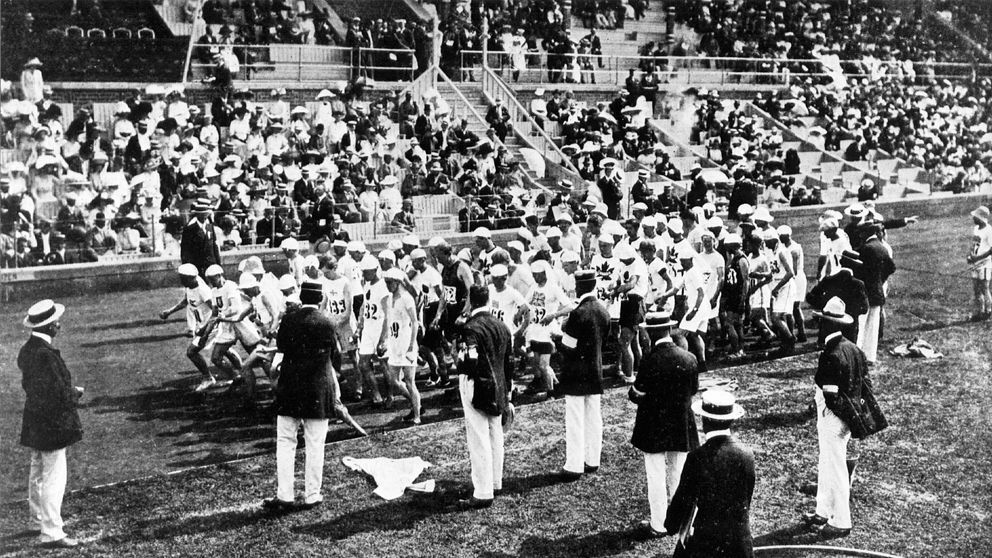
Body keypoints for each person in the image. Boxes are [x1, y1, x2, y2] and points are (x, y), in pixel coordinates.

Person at [263, 281, 360, 512]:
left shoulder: (289, 319)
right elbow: (334, 354)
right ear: (320, 299)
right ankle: (312, 495)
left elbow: (282, 347)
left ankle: (284, 495)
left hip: (291, 389)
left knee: (286, 442)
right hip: (318, 389)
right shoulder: (327, 321)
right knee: (316, 444)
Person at [19, 299, 83, 548]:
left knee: (37, 472)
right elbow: (56, 393)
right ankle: (52, 531)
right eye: (55, 321)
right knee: (53, 477)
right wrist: (74, 392)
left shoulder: (28, 350)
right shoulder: (45, 355)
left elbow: (31, 387)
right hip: (52, 422)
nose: (58, 324)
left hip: (35, 419)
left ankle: (38, 520)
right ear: (48, 326)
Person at [629, 313, 699, 538]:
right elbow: (694, 389)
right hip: (681, 423)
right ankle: (681, 521)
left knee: (656, 476)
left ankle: (658, 523)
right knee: (679, 474)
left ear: (650, 333)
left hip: (654, 426)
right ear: (669, 330)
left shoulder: (649, 360)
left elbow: (637, 393)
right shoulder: (689, 358)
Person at [803, 297, 866, 539]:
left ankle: (841, 520)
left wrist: (836, 414)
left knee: (836, 467)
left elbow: (831, 394)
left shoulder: (831, 353)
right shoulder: (852, 348)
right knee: (827, 463)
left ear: (827, 325)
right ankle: (823, 510)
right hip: (846, 417)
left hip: (834, 418)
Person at [665, 390, 754, 557]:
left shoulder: (697, 457)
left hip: (706, 544)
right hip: (740, 544)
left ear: (704, 421)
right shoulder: (747, 454)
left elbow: (684, 499)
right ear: (731, 420)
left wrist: (671, 524)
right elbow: (746, 498)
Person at [456, 285, 514, 508]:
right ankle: (495, 481)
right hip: (499, 383)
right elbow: (509, 362)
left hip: (476, 383)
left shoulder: (470, 328)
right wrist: (508, 390)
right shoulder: (502, 325)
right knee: (495, 433)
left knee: (478, 437)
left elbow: (468, 361)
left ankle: (482, 491)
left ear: (471, 300)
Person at [558, 270, 610, 481]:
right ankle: (592, 459)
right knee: (593, 418)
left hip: (576, 373)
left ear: (579, 287)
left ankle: (574, 465)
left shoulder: (578, 313)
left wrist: (558, 336)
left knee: (576, 420)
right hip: (594, 370)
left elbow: (568, 346)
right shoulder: (602, 311)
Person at [159, 263, 227, 391]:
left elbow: (216, 311)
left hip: (211, 326)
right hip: (203, 326)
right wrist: (169, 311)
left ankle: (208, 378)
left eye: (183, 278)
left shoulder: (203, 290)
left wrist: (206, 329)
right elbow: (186, 301)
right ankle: (237, 374)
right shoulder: (190, 286)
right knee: (225, 350)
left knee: (191, 352)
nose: (181, 281)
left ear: (191, 278)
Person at [381, 267, 422, 424]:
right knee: (394, 380)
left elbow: (415, 322)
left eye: (390, 282)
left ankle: (417, 415)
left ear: (398, 282)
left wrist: (412, 346)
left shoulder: (407, 298)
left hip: (406, 344)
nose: (387, 285)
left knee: (410, 381)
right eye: (386, 282)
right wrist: (385, 340)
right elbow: (389, 321)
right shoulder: (390, 298)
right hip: (395, 345)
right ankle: (415, 403)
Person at [853, 224, 895, 364]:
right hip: (877, 291)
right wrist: (879, 280)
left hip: (865, 291)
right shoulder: (882, 247)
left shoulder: (866, 248)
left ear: (866, 233)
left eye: (861, 232)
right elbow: (891, 267)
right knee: (873, 325)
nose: (860, 235)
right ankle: (870, 356)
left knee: (860, 324)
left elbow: (859, 270)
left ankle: (857, 356)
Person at [180, 202, 221, 277]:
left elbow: (215, 247)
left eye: (206, 213)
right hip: (198, 266)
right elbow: (185, 251)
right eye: (202, 214)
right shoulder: (189, 229)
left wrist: (218, 264)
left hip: (211, 265)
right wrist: (189, 269)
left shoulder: (210, 227)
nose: (204, 216)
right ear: (197, 215)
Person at [966, 206, 992, 321]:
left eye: (975, 216)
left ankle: (988, 311)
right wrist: (970, 256)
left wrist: (978, 258)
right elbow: (974, 244)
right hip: (975, 264)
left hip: (985, 264)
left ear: (981, 217)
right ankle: (979, 311)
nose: (973, 218)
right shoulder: (976, 228)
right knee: (976, 289)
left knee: (985, 288)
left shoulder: (989, 230)